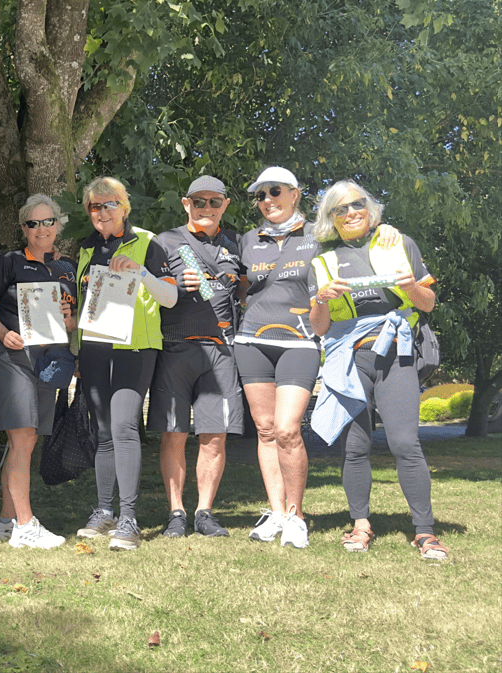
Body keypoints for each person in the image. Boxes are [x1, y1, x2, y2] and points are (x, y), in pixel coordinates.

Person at [237, 167, 402, 549]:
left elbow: (357, 235)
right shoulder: (247, 239)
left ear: (295, 194)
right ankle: (276, 512)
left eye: (274, 192)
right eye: (260, 195)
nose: (267, 201)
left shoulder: (319, 235)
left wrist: (386, 230)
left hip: (300, 341)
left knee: (287, 430)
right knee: (264, 430)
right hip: (251, 341)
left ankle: (296, 515)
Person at [308, 180, 447, 560]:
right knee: (355, 447)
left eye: (357, 205)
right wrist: (321, 299)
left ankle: (425, 532)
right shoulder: (322, 261)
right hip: (350, 360)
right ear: (330, 219)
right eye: (340, 209)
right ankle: (360, 525)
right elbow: (319, 326)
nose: (351, 213)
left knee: (405, 443)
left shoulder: (398, 243)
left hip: (397, 356)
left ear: (370, 209)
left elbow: (429, 303)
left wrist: (411, 288)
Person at [72, 177, 178, 551]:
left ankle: (129, 519)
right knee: (102, 432)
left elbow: (170, 297)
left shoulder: (149, 243)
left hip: (135, 348)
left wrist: (141, 273)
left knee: (123, 428)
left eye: (109, 204)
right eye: (94, 207)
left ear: (125, 207)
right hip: (95, 348)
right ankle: (104, 511)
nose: (102, 212)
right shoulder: (84, 250)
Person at [148, 175, 244, 539]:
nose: (206, 208)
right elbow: (149, 293)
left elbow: (252, 288)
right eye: (198, 201)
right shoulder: (165, 242)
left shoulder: (237, 244)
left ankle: (204, 511)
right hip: (175, 346)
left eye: (214, 202)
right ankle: (176, 512)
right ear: (186, 204)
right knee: (174, 434)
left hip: (221, 351)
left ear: (225, 205)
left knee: (214, 436)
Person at [0, 194, 78, 549]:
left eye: (48, 222)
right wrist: (3, 333)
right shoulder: (8, 262)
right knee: (21, 439)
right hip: (11, 359)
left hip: (49, 361)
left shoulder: (66, 268)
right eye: (33, 223)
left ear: (58, 224)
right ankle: (26, 525)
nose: (41, 229)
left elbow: (69, 320)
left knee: (27, 440)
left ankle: (5, 522)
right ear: (23, 228)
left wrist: (69, 323)